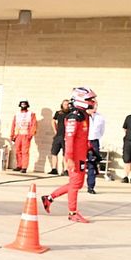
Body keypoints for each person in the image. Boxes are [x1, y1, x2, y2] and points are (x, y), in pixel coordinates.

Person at [41, 87, 96, 223]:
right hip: (74, 156)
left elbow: (82, 136)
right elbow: (69, 138)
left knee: (76, 184)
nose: (93, 102)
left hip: (81, 154)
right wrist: (70, 157)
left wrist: (90, 149)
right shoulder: (74, 116)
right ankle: (72, 213)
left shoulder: (84, 115)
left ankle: (49, 198)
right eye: (90, 99)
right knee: (76, 184)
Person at [9, 99, 37, 172]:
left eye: (25, 104)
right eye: (22, 104)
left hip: (26, 135)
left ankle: (24, 167)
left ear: (27, 105)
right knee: (18, 151)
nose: (23, 105)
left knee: (25, 151)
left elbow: (34, 125)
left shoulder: (31, 114)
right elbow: (13, 125)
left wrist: (30, 134)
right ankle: (19, 165)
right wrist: (12, 135)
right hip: (18, 135)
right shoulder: (17, 114)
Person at [86, 101, 105, 194]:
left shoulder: (100, 117)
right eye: (93, 106)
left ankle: (90, 186)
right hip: (84, 141)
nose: (94, 108)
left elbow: (102, 131)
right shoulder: (83, 116)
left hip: (94, 141)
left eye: (96, 106)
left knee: (92, 164)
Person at [47, 99, 70, 175]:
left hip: (67, 136)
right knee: (54, 152)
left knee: (65, 154)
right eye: (65, 104)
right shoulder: (58, 113)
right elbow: (53, 121)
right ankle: (54, 169)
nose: (66, 106)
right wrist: (55, 131)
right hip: (58, 136)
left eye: (67, 104)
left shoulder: (71, 113)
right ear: (62, 105)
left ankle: (66, 170)